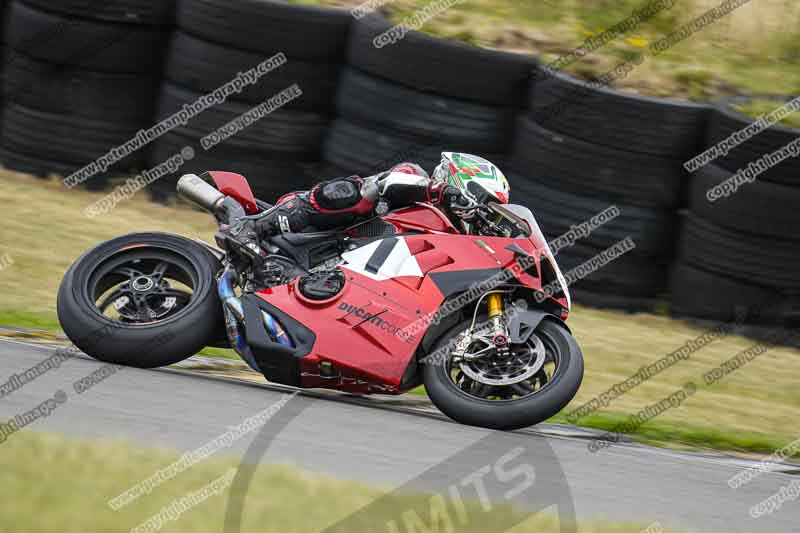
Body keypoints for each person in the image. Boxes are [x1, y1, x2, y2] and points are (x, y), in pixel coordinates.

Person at [252, 152, 511, 237]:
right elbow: (389, 182)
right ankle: (260, 225)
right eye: (486, 203)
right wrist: (442, 192)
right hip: (326, 233)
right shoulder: (417, 177)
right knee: (354, 193)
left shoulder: (450, 237)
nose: (486, 214)